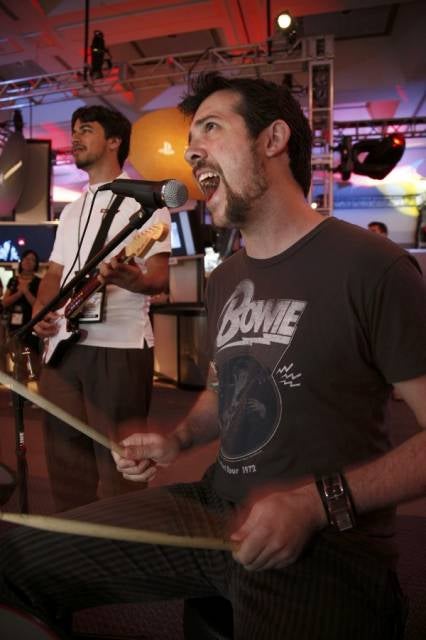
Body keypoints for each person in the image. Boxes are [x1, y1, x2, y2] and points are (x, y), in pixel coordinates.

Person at [1, 72, 425, 640]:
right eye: (189, 140)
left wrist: (315, 504)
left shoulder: (373, 265)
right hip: (213, 504)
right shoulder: (226, 278)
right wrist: (177, 439)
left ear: (273, 139)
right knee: (14, 559)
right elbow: (225, 391)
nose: (190, 151)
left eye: (211, 128)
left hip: (328, 535)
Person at [31, 105, 171, 511]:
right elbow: (54, 274)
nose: (75, 137)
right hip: (62, 349)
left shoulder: (147, 204)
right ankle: (74, 541)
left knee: (121, 468)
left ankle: (120, 545)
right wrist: (42, 315)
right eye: (74, 130)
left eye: (86, 130)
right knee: (65, 464)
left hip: (119, 348)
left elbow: (158, 278)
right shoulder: (71, 210)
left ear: (114, 141)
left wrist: (130, 279)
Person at [2, 249, 42, 378]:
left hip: (32, 326)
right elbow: (4, 302)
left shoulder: (39, 282)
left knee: (33, 359)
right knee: (17, 359)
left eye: (32, 259)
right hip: (14, 327)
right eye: (26, 258)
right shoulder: (13, 280)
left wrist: (26, 292)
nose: (28, 261)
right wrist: (19, 293)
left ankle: (35, 383)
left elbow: (39, 305)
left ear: (36, 264)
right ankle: (19, 385)